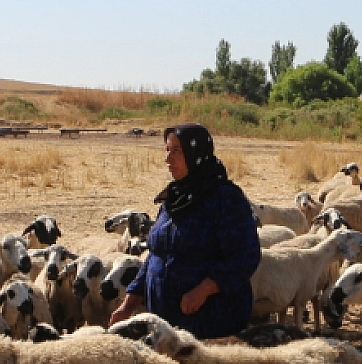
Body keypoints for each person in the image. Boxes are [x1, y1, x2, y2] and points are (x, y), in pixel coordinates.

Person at [109, 123, 261, 338]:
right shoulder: (174, 199)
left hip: (211, 320)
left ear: (196, 154)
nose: (168, 159)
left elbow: (245, 256)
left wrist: (204, 290)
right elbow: (157, 254)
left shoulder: (225, 199)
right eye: (167, 150)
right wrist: (129, 304)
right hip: (165, 322)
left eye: (177, 151)